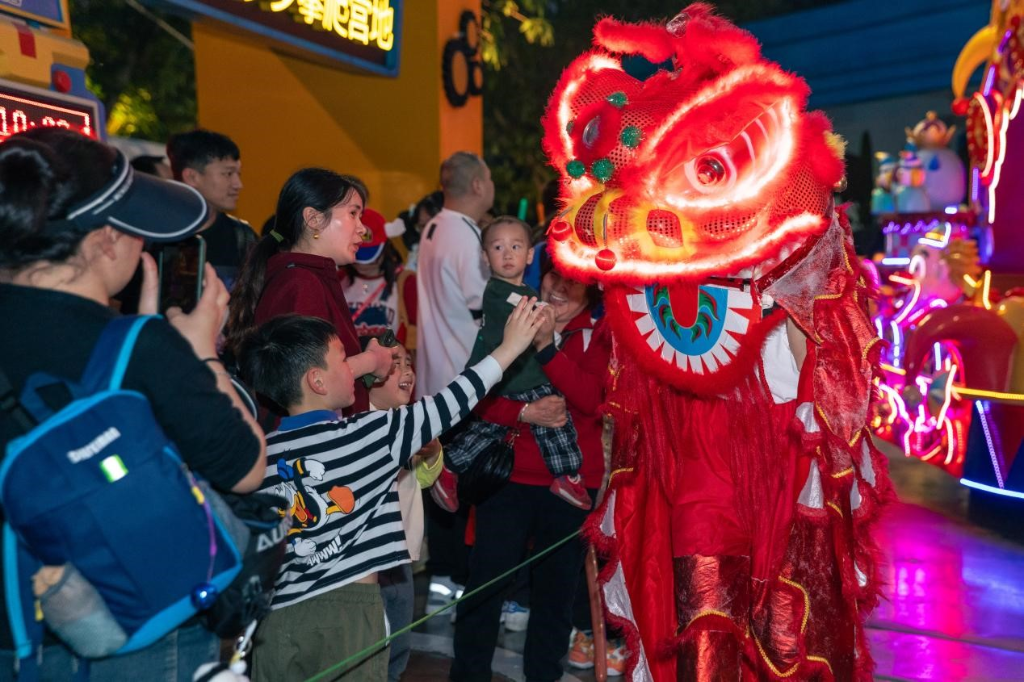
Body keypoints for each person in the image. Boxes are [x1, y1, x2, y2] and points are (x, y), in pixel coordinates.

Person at [0, 129, 266, 680]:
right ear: (103, 239)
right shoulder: (136, 347)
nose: (144, 244)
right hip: (136, 640)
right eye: (135, 230)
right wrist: (196, 352)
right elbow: (245, 466)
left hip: (15, 636)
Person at [236, 301, 545, 682]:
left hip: (275, 619)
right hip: (348, 616)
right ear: (317, 381)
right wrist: (510, 347)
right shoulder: (368, 433)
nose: (354, 368)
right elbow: (451, 402)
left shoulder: (258, 454)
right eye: (343, 361)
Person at [450, 266, 610, 682]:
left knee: (556, 598)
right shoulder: (508, 324)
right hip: (509, 477)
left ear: (591, 291)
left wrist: (546, 350)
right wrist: (523, 411)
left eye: (574, 281)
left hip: (571, 487)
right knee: (485, 587)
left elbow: (591, 399)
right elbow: (475, 395)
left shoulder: (597, 334)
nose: (561, 287)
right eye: (556, 277)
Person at [445, 217, 590, 510]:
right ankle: (567, 472)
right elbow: (524, 319)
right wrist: (543, 319)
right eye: (498, 247)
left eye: (515, 246)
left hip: (512, 376)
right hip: (518, 376)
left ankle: (448, 466)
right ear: (485, 257)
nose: (508, 254)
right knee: (556, 424)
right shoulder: (502, 292)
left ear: (529, 255)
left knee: (486, 432)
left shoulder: (524, 292)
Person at [226, 168, 393, 416]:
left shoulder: (308, 276)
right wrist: (372, 361)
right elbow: (309, 379)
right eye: (353, 214)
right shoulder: (301, 282)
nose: (362, 228)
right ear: (313, 219)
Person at [366, 343, 443, 682]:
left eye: (409, 364)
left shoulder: (410, 420)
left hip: (401, 554)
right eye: (395, 365)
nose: (408, 373)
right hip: (367, 558)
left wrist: (433, 451)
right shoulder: (358, 422)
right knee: (366, 641)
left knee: (398, 640)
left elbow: (423, 479)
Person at [166, 129, 255, 290]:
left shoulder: (244, 237)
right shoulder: (156, 235)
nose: (238, 184)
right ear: (192, 177)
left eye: (238, 174)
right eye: (228, 173)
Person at [341, 208, 413, 345]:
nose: (363, 265)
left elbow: (414, 337)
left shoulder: (406, 282)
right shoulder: (338, 279)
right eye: (357, 255)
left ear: (385, 247)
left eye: (370, 257)